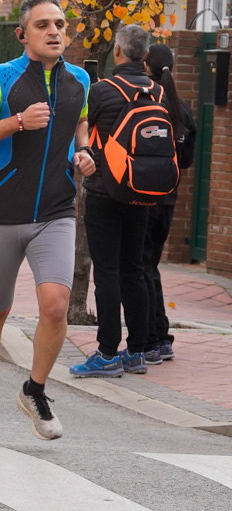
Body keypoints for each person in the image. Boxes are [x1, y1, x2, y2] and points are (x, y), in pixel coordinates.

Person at [0, 0, 95, 442]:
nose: (54, 31)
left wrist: (85, 152)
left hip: (56, 213)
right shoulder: (0, 78)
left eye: (60, 24)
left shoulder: (80, 80)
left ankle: (34, 389)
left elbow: (80, 125)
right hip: (1, 214)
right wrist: (17, 121)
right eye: (43, 25)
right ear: (22, 34)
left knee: (56, 306)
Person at [69, 25, 158, 379]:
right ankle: (138, 351)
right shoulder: (158, 91)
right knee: (134, 270)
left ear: (117, 52)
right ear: (145, 56)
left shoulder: (102, 91)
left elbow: (83, 131)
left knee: (106, 272)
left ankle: (107, 353)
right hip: (142, 192)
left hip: (105, 191)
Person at [141, 44, 195, 364]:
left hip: (144, 196)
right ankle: (161, 337)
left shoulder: (149, 102)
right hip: (169, 199)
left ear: (146, 67)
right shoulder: (182, 108)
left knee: (141, 268)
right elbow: (186, 160)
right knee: (150, 267)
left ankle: (153, 339)